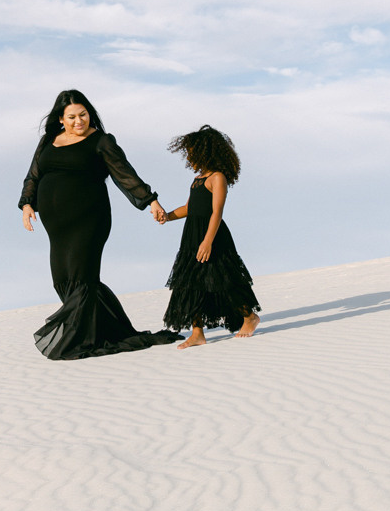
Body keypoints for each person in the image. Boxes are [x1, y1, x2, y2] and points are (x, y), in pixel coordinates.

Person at [18, 89, 179, 360]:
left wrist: (150, 200)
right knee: (63, 279)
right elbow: (34, 174)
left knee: (82, 278)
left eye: (83, 114)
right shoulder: (49, 140)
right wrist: (26, 204)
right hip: (57, 226)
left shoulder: (101, 141)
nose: (78, 121)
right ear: (61, 119)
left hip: (89, 219)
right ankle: (101, 331)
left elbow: (124, 173)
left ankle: (82, 338)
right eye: (72, 117)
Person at [158, 124, 260, 348]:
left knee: (223, 279)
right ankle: (197, 333)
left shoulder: (217, 177)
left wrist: (207, 241)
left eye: (192, 153)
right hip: (192, 236)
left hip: (213, 236)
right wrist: (167, 216)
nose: (189, 157)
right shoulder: (197, 180)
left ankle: (249, 317)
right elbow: (189, 208)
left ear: (206, 152)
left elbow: (217, 212)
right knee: (190, 283)